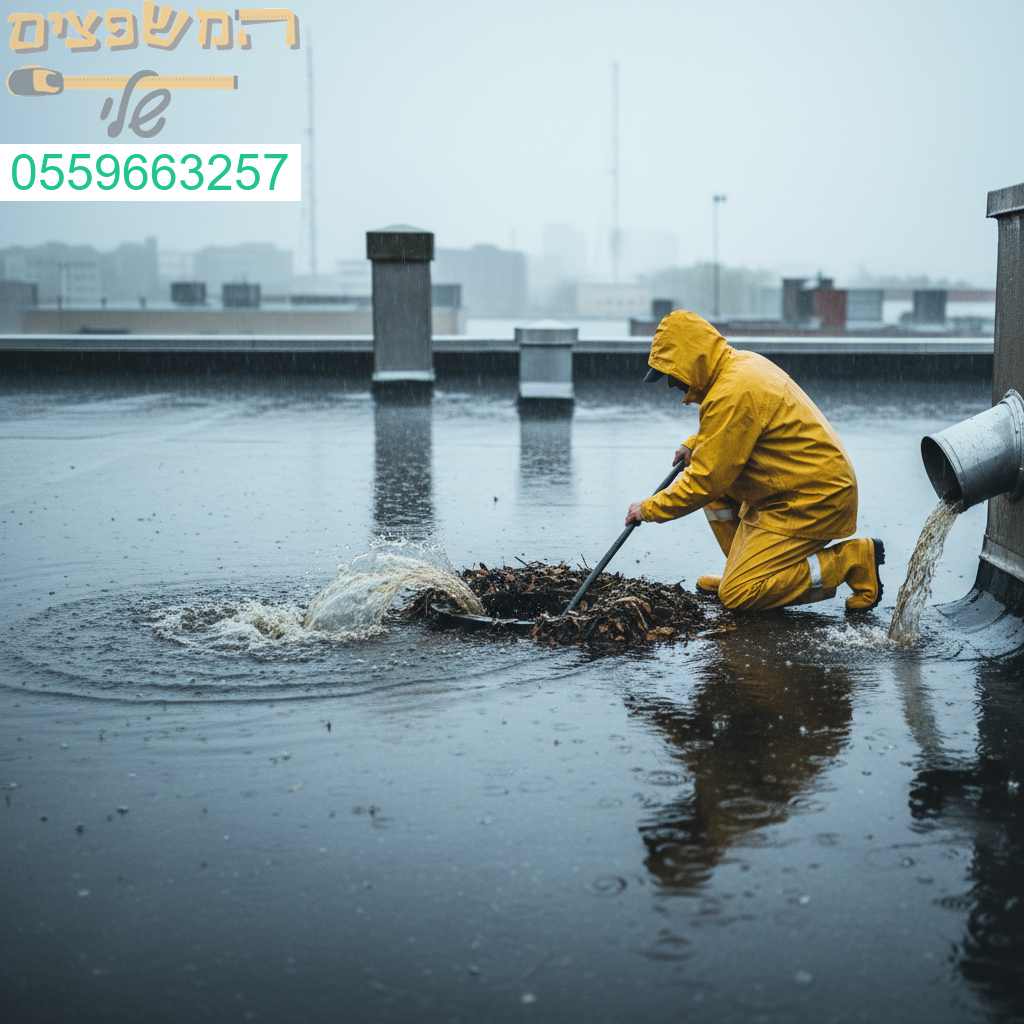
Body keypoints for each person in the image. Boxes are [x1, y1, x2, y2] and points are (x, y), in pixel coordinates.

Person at [625, 309, 884, 612]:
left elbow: (704, 482)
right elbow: (741, 430)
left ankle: (850, 561)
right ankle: (746, 568)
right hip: (797, 486)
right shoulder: (739, 366)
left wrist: (649, 508)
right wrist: (696, 444)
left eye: (671, 373)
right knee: (715, 485)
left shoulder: (732, 392)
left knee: (738, 595)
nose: (670, 384)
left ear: (692, 359)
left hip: (813, 499)